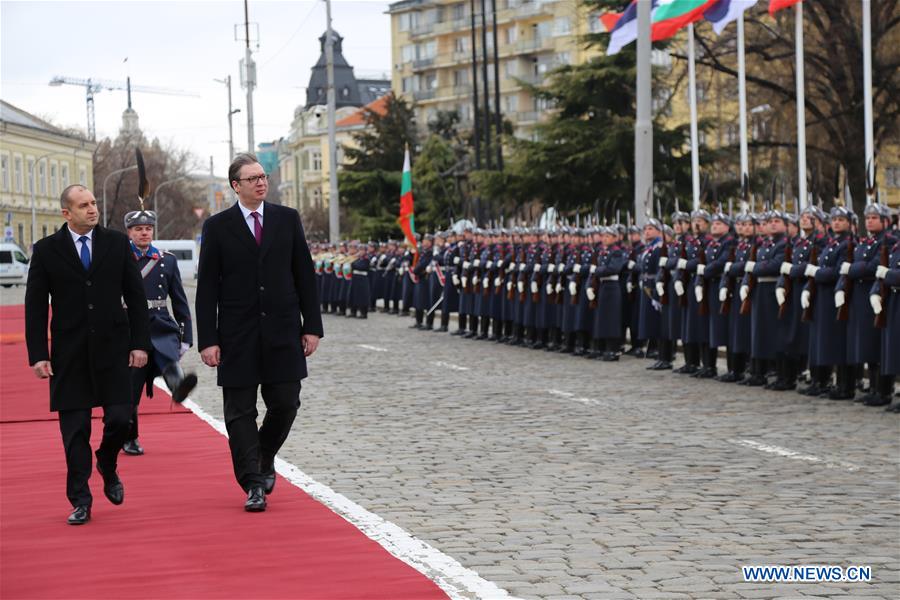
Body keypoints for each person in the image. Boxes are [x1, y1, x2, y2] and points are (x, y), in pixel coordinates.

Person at [196, 153, 323, 512]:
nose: (261, 182)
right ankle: (252, 482)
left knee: (286, 403)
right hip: (237, 335)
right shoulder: (218, 227)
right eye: (252, 178)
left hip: (283, 332)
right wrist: (209, 339)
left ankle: (264, 455)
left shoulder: (287, 219)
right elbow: (207, 288)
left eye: (263, 176)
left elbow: (304, 275)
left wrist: (311, 327)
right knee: (240, 412)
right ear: (236, 186)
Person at [25, 184, 150, 525]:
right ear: (67, 213)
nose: (92, 209)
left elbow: (136, 297)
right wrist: (38, 353)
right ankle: (80, 498)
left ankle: (107, 462)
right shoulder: (47, 250)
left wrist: (140, 344)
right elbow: (35, 306)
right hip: (70, 353)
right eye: (84, 205)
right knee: (75, 431)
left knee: (121, 419)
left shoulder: (115, 243)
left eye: (93, 203)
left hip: (114, 349)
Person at [122, 209, 196, 455]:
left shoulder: (167, 260)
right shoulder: (119, 259)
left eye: (148, 229)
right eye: (138, 229)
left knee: (167, 352)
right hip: (131, 326)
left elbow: (179, 300)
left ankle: (177, 386)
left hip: (160, 322)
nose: (144, 232)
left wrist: (186, 337)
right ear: (129, 232)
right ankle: (129, 437)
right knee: (131, 387)